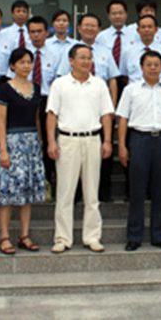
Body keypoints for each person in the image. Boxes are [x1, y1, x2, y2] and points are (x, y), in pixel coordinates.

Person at [46, 44, 115, 254]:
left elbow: (106, 115)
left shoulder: (99, 84)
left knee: (92, 193)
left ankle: (92, 236)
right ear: (71, 60)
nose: (86, 62)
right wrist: (51, 141)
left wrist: (107, 141)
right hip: (67, 140)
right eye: (82, 58)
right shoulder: (60, 84)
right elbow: (52, 114)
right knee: (65, 192)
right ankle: (62, 238)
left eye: (89, 58)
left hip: (92, 139)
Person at [117, 50, 161, 251]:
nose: (153, 68)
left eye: (157, 64)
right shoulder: (131, 90)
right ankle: (134, 236)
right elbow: (122, 118)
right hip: (139, 140)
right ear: (141, 67)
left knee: (160, 191)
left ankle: (159, 236)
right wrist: (122, 145)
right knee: (137, 191)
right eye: (149, 64)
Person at [56, 13, 120, 202]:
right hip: (75, 109)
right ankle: (76, 195)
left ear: (99, 29)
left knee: (103, 152)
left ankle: (102, 194)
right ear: (79, 28)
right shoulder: (69, 51)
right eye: (86, 25)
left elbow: (112, 80)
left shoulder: (105, 51)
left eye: (94, 26)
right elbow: (62, 78)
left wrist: (111, 107)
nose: (90, 29)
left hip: (99, 106)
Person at [0, 48, 46, 255]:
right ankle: (4, 236)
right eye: (21, 62)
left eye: (29, 62)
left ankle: (24, 235)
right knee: (8, 191)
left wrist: (39, 142)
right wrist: (3, 150)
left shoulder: (36, 88)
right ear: (12, 65)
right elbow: (1, 122)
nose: (26, 66)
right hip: (12, 142)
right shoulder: (5, 89)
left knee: (27, 192)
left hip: (31, 143)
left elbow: (36, 118)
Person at [27, 16, 61, 198]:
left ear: (47, 32)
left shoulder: (56, 53)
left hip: (48, 100)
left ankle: (48, 180)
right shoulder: (22, 54)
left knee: (49, 141)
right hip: (26, 100)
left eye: (39, 31)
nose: (36, 35)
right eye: (32, 32)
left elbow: (59, 80)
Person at [120, 14, 161, 85]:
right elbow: (124, 77)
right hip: (134, 90)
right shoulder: (127, 52)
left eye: (150, 27)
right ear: (138, 30)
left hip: (158, 89)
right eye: (143, 27)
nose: (146, 30)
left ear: (156, 30)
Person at [96, 0, 139, 68]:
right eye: (114, 13)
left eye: (120, 13)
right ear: (108, 16)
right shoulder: (101, 36)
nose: (117, 16)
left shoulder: (136, 35)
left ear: (126, 15)